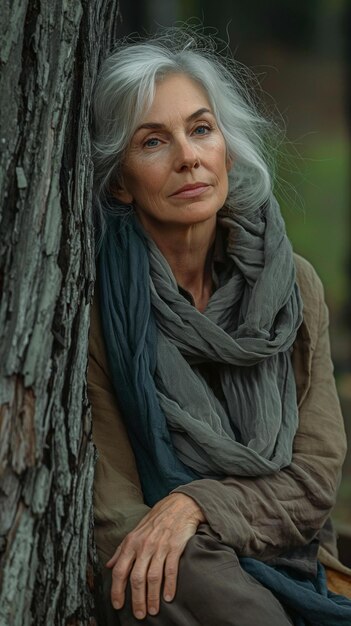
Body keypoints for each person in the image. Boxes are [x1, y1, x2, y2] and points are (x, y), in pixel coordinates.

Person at [89, 28, 351, 625]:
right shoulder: (101, 308)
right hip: (176, 566)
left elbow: (311, 481)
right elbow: (116, 512)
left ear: (227, 150)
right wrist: (185, 522)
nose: (188, 156)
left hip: (289, 550)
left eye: (201, 129)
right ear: (119, 183)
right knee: (169, 572)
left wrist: (196, 502)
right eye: (153, 141)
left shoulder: (293, 287)